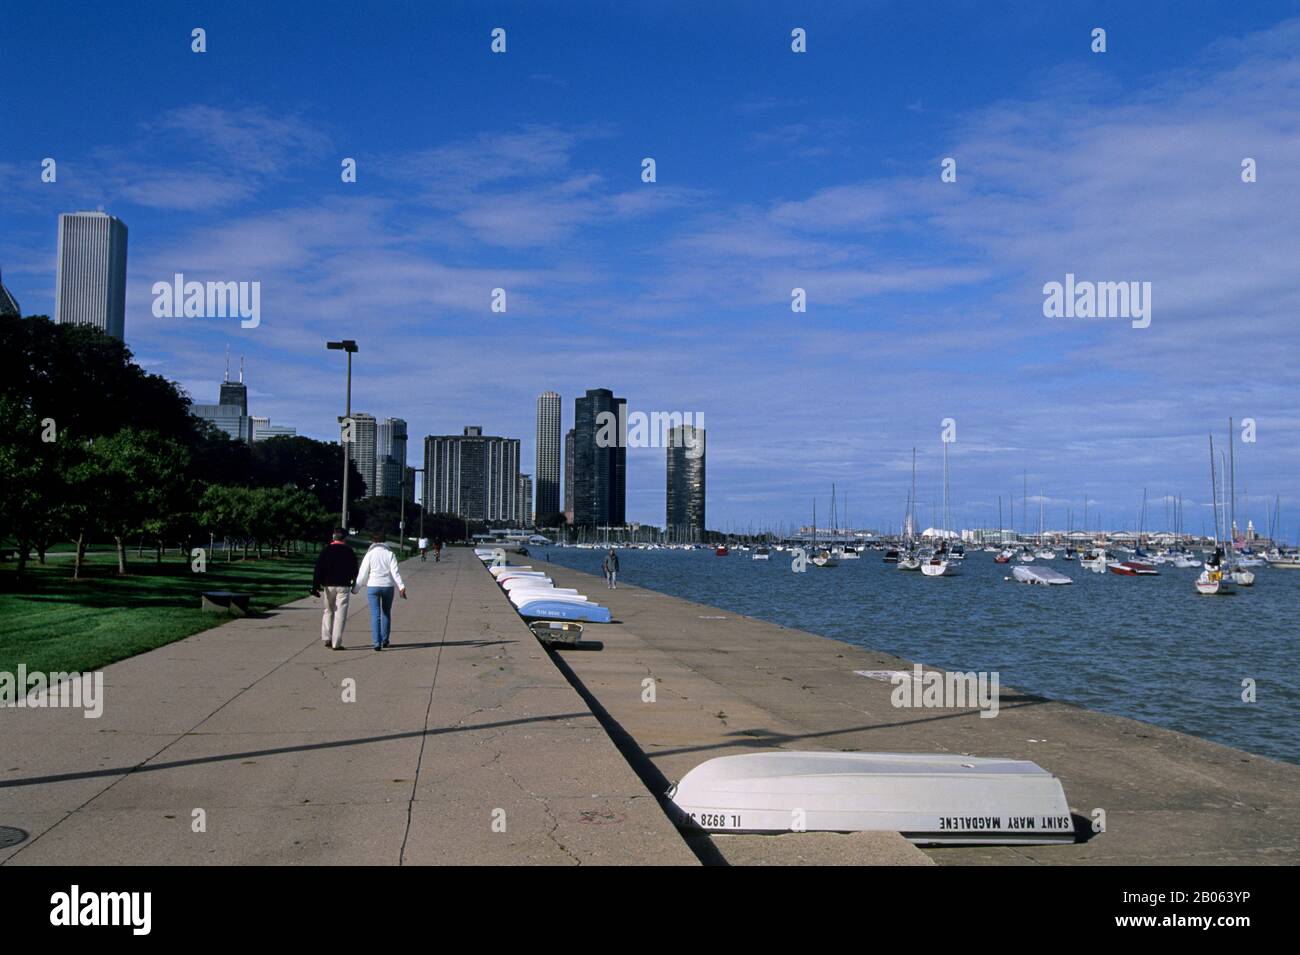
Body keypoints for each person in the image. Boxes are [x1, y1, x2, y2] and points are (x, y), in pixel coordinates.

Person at [353, 533, 407, 651]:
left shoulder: (369, 555)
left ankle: (376, 643)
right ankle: (385, 640)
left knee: (375, 614)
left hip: (373, 586)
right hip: (387, 586)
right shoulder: (390, 554)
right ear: (385, 542)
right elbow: (395, 572)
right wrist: (401, 586)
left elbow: (362, 574)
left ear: (373, 542)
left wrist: (356, 589)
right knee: (386, 613)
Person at [312, 528, 358, 650]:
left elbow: (318, 569)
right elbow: (355, 569)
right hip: (343, 585)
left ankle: (327, 637)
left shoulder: (326, 550)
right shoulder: (349, 551)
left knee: (328, 610)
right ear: (344, 538)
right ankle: (336, 643)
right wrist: (353, 582)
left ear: (333, 537)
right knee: (340, 613)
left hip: (328, 585)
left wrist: (315, 586)